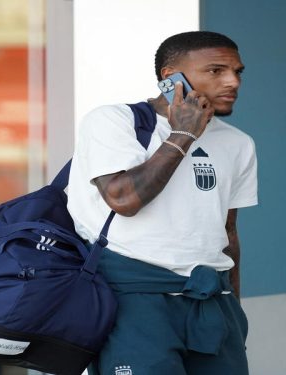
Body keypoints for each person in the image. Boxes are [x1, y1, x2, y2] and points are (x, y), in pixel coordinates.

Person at [66, 31, 257, 375]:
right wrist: (182, 135)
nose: (233, 82)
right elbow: (123, 199)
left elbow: (228, 232)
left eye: (237, 72)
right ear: (172, 78)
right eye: (216, 71)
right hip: (134, 300)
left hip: (212, 301)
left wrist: (236, 313)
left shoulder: (238, 143)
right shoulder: (114, 121)